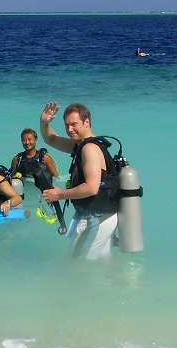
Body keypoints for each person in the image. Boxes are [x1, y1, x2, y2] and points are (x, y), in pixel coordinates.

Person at [38, 101, 118, 259]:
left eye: (74, 124)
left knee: (76, 265)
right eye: (67, 125)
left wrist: (60, 195)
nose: (69, 129)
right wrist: (44, 122)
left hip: (95, 218)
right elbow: (51, 140)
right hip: (102, 216)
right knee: (101, 265)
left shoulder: (89, 149)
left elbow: (91, 188)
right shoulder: (82, 145)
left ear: (86, 122)